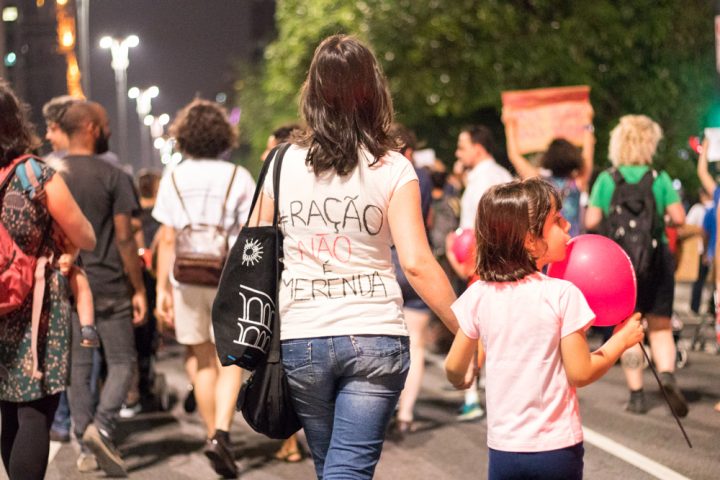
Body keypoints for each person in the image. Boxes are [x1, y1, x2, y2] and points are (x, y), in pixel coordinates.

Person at [249, 34, 459, 479]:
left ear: (312, 92)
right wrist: (465, 328)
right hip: (374, 334)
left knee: (334, 468)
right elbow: (417, 262)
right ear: (374, 90)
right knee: (347, 470)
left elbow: (255, 245)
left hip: (303, 336)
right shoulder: (393, 167)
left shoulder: (282, 163)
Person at [445, 178, 644, 480]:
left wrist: (464, 376)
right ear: (529, 240)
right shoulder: (562, 294)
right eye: (557, 220)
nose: (568, 226)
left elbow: (454, 369)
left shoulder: (479, 294)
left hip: (504, 450)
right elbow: (580, 372)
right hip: (556, 448)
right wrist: (621, 340)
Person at [153, 99, 256, 478]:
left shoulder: (173, 178)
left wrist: (162, 289)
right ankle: (223, 434)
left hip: (186, 280)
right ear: (223, 136)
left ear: (184, 136)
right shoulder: (238, 177)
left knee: (200, 358)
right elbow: (250, 233)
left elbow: (167, 238)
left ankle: (212, 434)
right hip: (230, 279)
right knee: (230, 360)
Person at [0, 80, 96, 480]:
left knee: (7, 410)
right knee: (34, 411)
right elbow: (86, 236)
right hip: (36, 308)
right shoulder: (34, 175)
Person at [57, 100, 147, 477]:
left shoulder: (52, 175)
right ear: (92, 128)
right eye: (106, 124)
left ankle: (84, 445)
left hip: (67, 285)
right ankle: (103, 425)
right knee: (123, 361)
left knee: (78, 368)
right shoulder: (114, 175)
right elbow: (125, 238)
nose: (109, 129)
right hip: (109, 283)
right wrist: (138, 288)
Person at [585, 114, 688, 416]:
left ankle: (637, 395)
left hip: (621, 264)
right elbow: (679, 217)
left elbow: (591, 220)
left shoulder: (607, 179)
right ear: (650, 143)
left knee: (629, 326)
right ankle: (666, 376)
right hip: (656, 258)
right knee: (661, 324)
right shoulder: (659, 178)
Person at [446, 124, 513, 422]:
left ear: (478, 147)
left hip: (482, 264)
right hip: (503, 263)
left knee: (474, 328)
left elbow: (476, 229)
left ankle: (471, 394)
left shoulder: (483, 180)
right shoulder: (500, 175)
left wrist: (462, 258)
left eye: (462, 147)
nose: (458, 153)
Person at [388, 123, 434, 437]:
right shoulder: (423, 177)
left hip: (386, 263)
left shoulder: (377, 173)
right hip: (416, 258)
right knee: (415, 344)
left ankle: (384, 405)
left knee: (384, 341)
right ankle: (405, 414)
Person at [503, 107, 595, 236]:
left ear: (548, 158)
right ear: (573, 158)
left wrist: (510, 126)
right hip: (574, 239)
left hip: (548, 243)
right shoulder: (578, 182)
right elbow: (588, 154)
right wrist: (588, 122)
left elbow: (514, 155)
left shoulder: (539, 182)